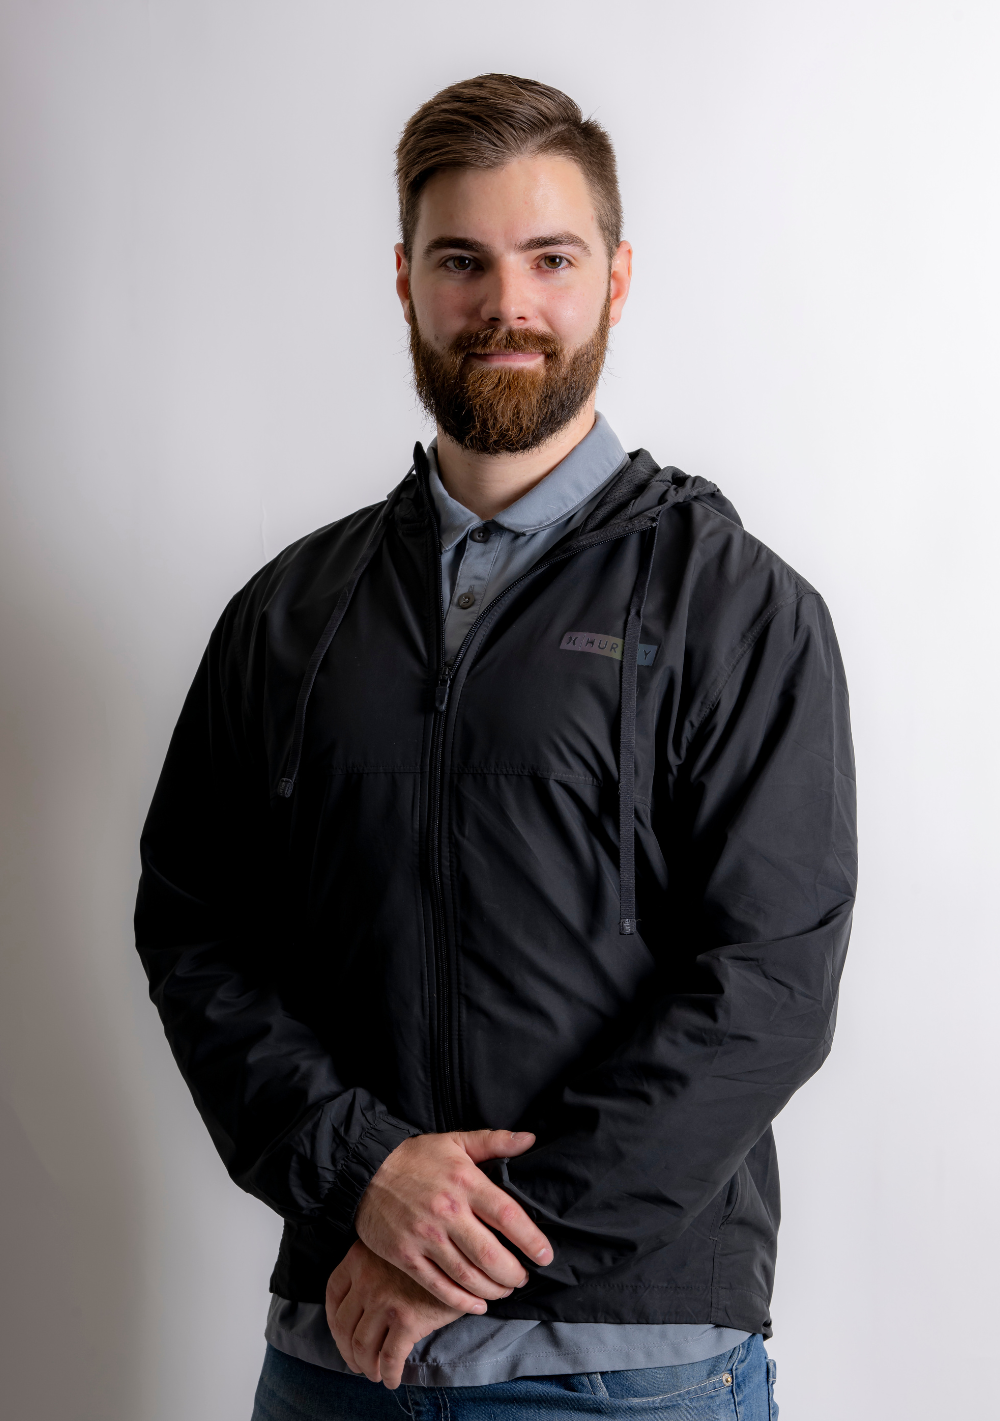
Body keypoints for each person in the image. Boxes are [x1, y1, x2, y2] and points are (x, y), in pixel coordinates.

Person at [135, 73, 856, 1420]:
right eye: (462, 260)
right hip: (337, 1360)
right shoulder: (290, 614)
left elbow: (766, 990)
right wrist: (365, 1174)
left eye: (551, 259)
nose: (505, 303)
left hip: (625, 1374)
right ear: (406, 282)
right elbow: (197, 932)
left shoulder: (738, 608)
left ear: (617, 280)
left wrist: (470, 1253)